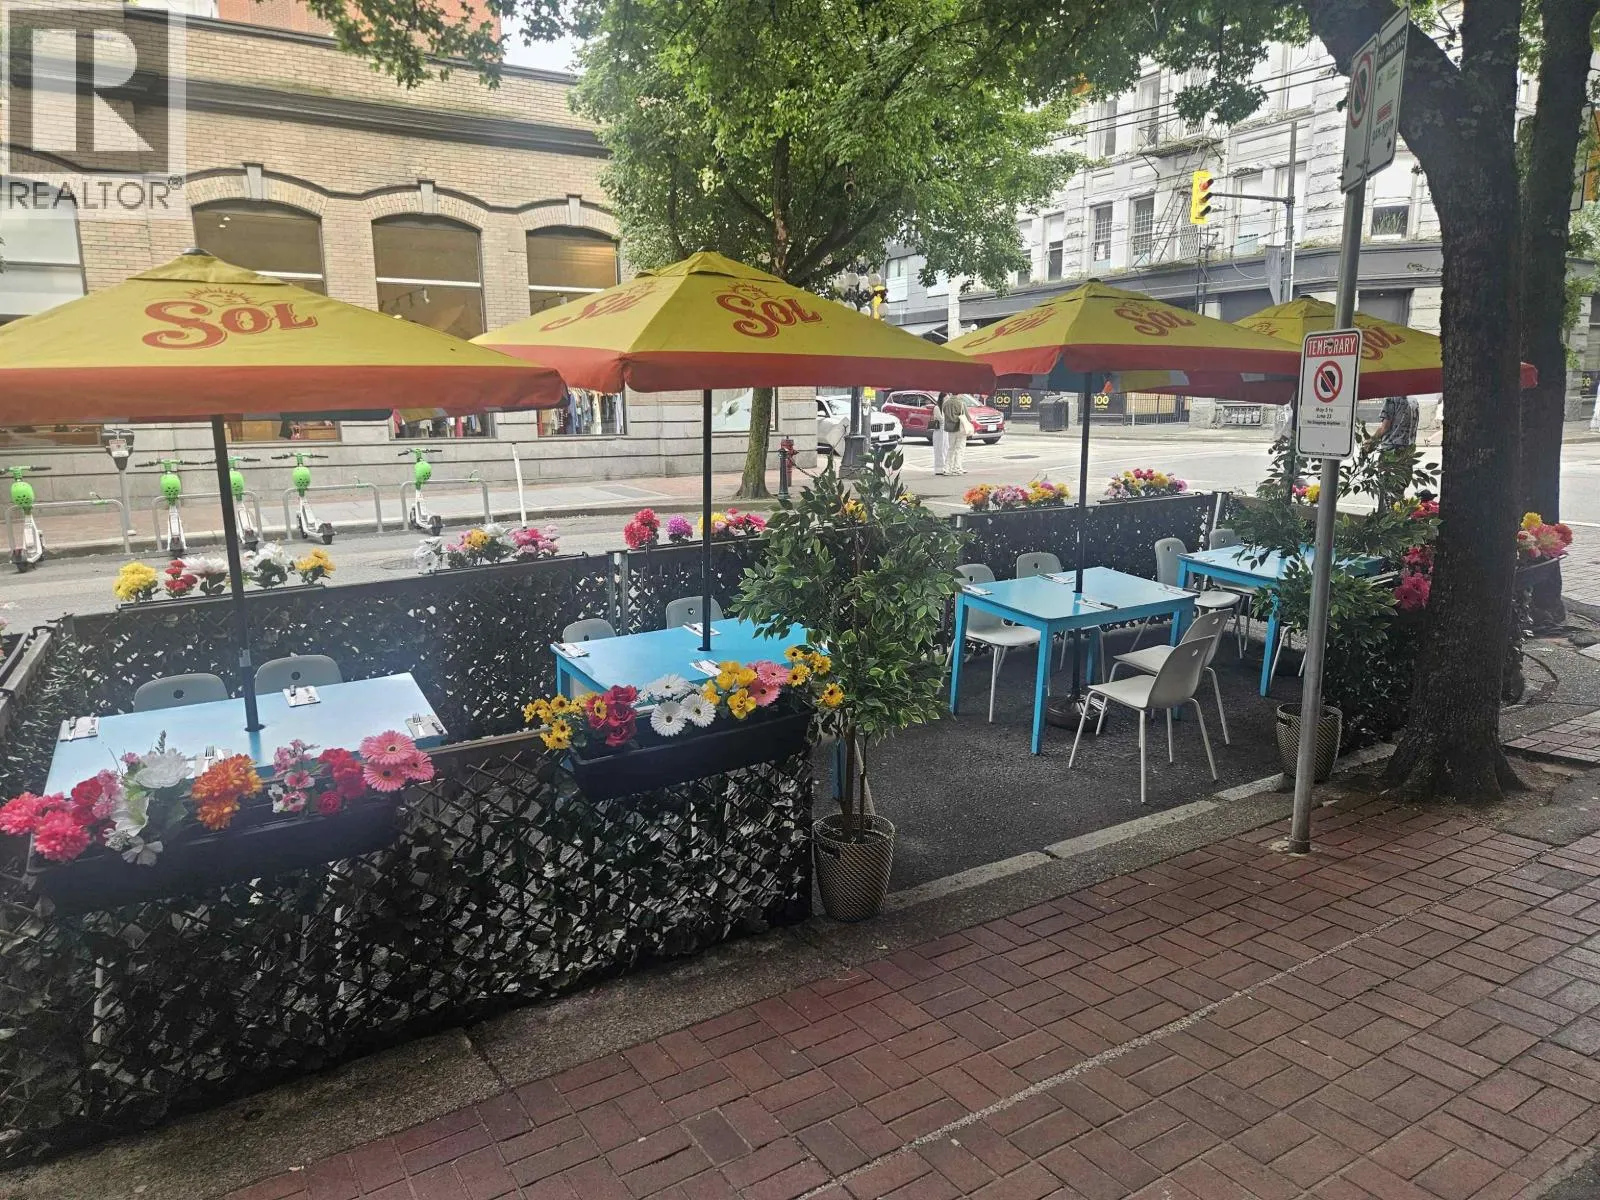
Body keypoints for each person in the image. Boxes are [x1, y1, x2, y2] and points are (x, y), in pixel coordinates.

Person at [940, 392, 968, 475]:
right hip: (960, 428)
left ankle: (947, 468)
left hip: (950, 428)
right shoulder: (961, 403)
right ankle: (957, 468)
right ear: (958, 394)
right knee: (959, 449)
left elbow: (944, 414)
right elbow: (967, 416)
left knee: (950, 448)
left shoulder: (945, 403)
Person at [930, 395, 948, 474]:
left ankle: (945, 466)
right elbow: (940, 419)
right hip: (939, 430)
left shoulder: (945, 408)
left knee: (945, 448)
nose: (947, 400)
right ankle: (939, 468)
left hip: (945, 430)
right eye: (946, 398)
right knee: (939, 449)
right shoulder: (937, 408)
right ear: (942, 398)